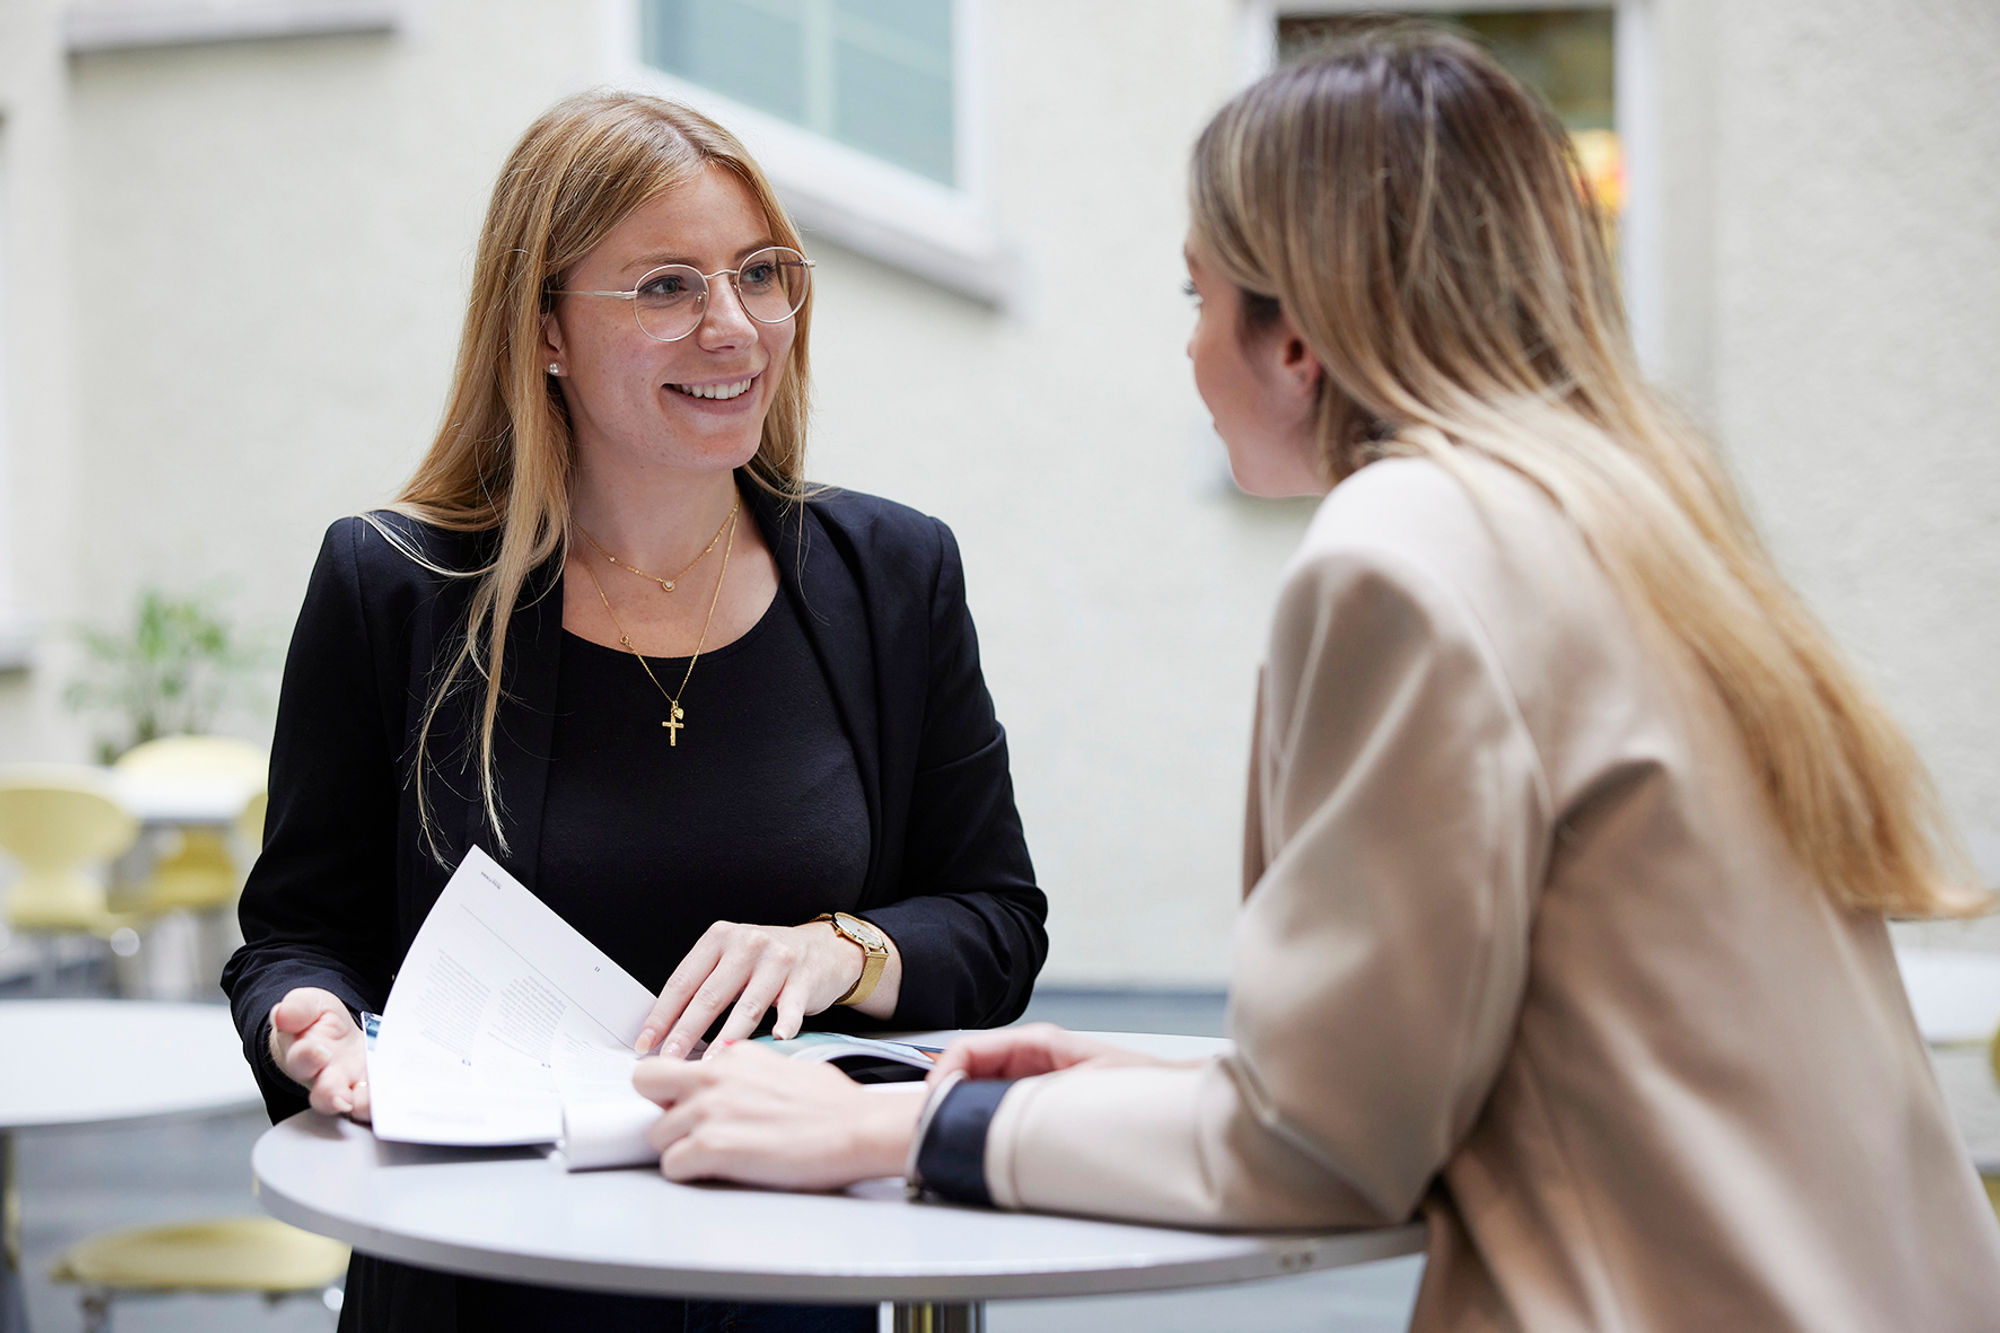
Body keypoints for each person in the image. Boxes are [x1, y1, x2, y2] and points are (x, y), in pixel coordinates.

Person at [623, 27, 2000, 1332]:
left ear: (1294, 343)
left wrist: (898, 1125)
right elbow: (1493, 1055)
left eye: (1196, 293)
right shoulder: (1642, 518)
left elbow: (1324, 1147)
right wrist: (1188, 1087)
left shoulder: (1404, 555)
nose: (1187, 345)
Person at [221, 90, 1046, 1333]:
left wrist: (842, 946)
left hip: (787, 1274)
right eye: (666, 287)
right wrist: (310, 1022)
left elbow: (995, 922)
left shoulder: (892, 574)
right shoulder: (393, 587)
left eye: (761, 275)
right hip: (478, 1277)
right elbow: (293, 935)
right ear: (544, 328)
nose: (736, 329)